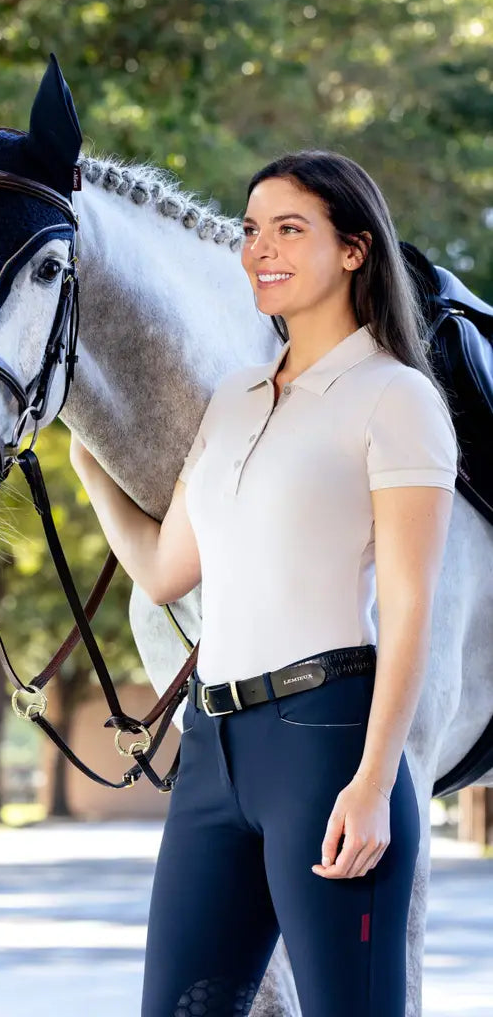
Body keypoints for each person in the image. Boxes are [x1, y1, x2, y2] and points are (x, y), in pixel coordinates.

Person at [68, 150, 458, 1017]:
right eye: (251, 230)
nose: (260, 250)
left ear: (354, 250)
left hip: (328, 742)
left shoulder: (396, 399)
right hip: (213, 751)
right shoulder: (236, 396)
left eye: (290, 229)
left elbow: (409, 606)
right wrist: (90, 469)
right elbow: (169, 571)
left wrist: (371, 783)